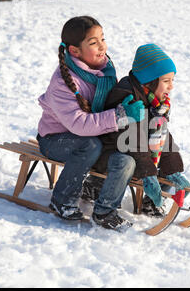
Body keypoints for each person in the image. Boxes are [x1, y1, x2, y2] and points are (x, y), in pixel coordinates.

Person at [36, 16, 145, 231]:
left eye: (102, 39)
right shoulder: (63, 82)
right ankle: (62, 199)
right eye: (94, 42)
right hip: (55, 139)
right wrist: (118, 116)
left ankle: (94, 187)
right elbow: (80, 125)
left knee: (116, 145)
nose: (102, 45)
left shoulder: (104, 72)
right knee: (91, 145)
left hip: (88, 135)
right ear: (75, 51)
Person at [94, 43, 190, 217]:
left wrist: (173, 168)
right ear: (149, 81)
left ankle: (152, 203)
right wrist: (148, 173)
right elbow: (132, 139)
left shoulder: (156, 103)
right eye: (166, 81)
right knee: (134, 162)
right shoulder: (127, 96)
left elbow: (161, 135)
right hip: (111, 153)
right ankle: (98, 192)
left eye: (172, 80)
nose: (171, 87)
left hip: (133, 150)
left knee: (163, 155)